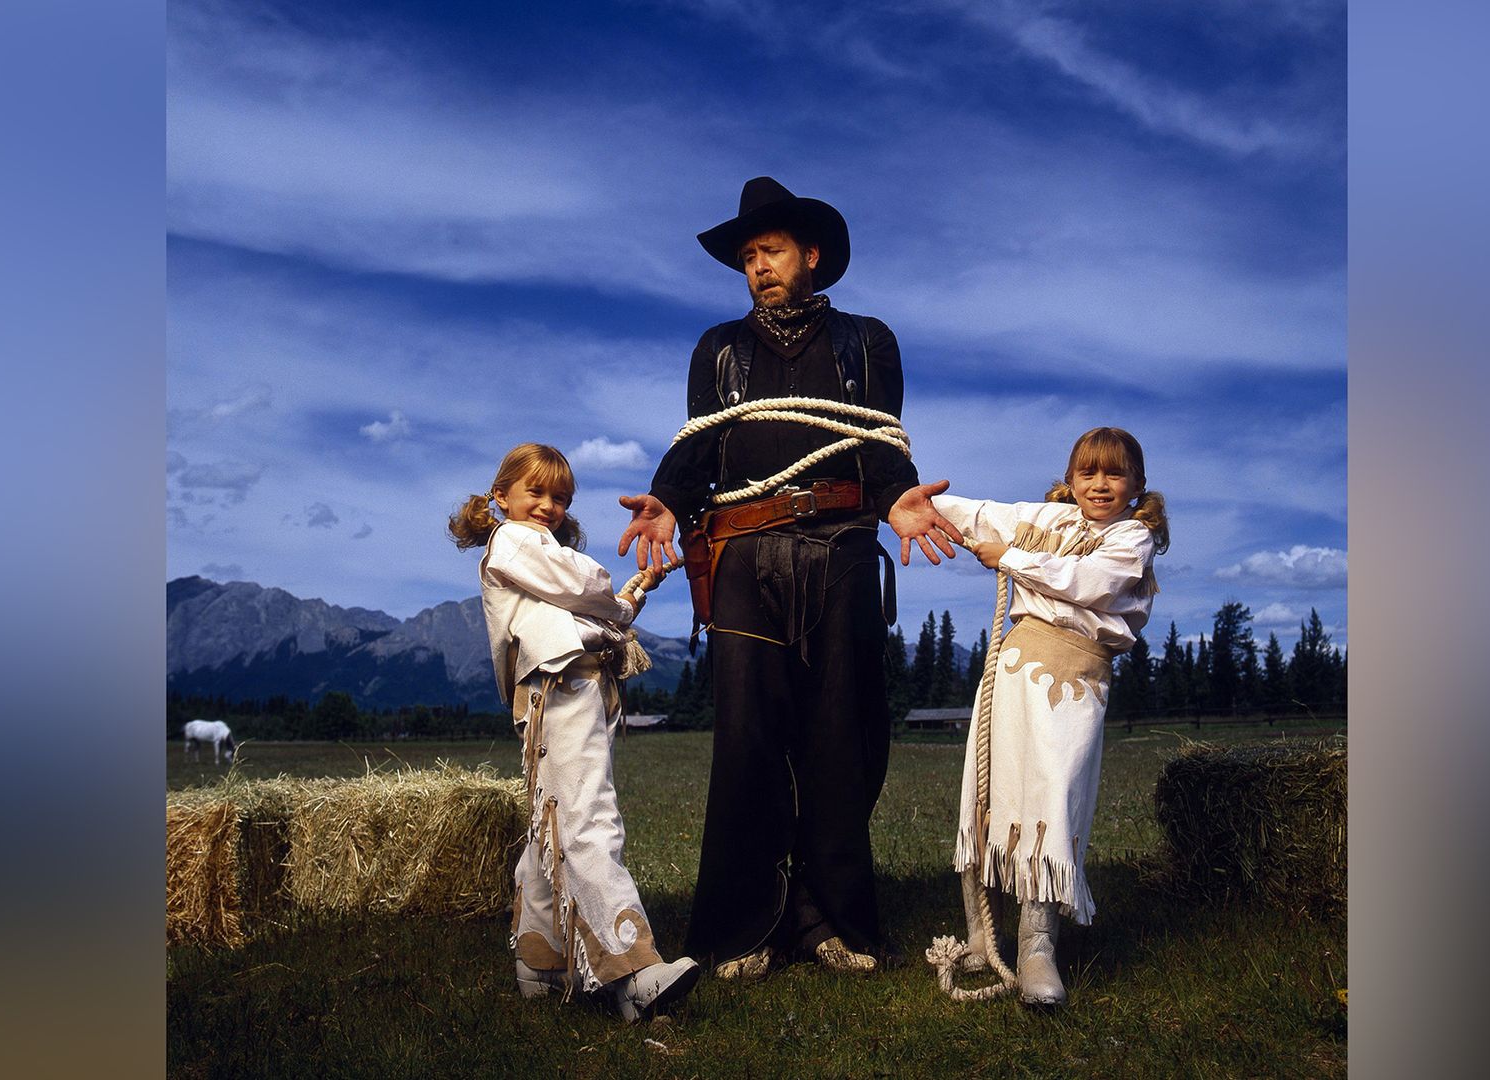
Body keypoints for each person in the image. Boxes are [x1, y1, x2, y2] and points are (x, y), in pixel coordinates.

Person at [616, 177, 963, 980]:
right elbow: (701, 442)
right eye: (746, 258)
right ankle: (742, 932)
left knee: (842, 737)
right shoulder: (720, 350)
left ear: (811, 255)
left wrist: (897, 498)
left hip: (839, 548)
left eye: (770, 251)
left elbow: (878, 442)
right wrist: (669, 499)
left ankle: (832, 921)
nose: (757, 267)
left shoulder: (867, 342)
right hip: (741, 558)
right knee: (746, 744)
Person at [449, 443, 700, 1021]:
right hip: (556, 685)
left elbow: (594, 610)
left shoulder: (537, 556)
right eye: (535, 492)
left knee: (555, 818)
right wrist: (611, 592)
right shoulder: (513, 541)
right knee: (587, 818)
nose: (547, 506)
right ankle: (630, 969)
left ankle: (540, 961)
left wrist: (631, 594)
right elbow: (583, 585)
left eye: (559, 498)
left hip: (574, 685)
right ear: (501, 494)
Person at [930, 426, 1167, 1006]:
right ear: (1071, 480)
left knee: (1053, 799)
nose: (1100, 484)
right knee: (987, 796)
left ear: (1137, 485)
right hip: (1013, 672)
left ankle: (1037, 950)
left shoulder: (1131, 538)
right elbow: (980, 513)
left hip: (1076, 682)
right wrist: (910, 500)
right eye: (1088, 472)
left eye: (1114, 473)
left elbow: (1090, 582)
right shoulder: (1050, 521)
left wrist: (1011, 558)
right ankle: (982, 936)